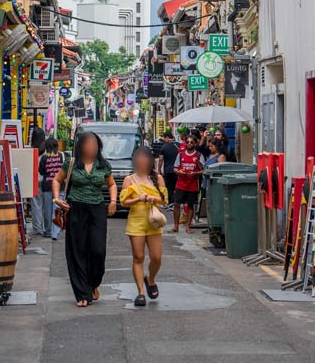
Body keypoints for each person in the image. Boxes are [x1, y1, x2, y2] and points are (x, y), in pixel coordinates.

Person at [52, 131, 118, 307]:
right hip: (76, 208)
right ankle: (82, 293)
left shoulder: (103, 165)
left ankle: (93, 283)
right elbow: (57, 180)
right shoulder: (71, 163)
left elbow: (111, 184)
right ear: (80, 146)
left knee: (98, 250)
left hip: (97, 209)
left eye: (95, 145)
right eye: (88, 145)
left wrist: (113, 201)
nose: (92, 148)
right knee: (77, 251)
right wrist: (57, 198)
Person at [119, 147, 168, 306]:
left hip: (153, 221)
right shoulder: (129, 180)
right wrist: (138, 199)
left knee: (156, 258)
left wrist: (152, 199)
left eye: (144, 158)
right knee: (138, 257)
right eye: (138, 158)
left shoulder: (157, 178)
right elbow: (124, 202)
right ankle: (140, 293)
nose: (142, 161)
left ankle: (151, 279)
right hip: (136, 221)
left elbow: (164, 200)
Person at [169, 135, 204, 234]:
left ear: (195, 144)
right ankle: (176, 226)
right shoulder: (180, 155)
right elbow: (175, 168)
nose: (189, 144)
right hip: (181, 183)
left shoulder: (199, 155)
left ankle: (188, 227)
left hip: (193, 184)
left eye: (191, 142)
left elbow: (203, 170)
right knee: (176, 204)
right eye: (187, 142)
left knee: (190, 205)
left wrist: (196, 172)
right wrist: (179, 172)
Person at [38, 137, 64, 240]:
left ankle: (48, 230)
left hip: (47, 185)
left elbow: (41, 171)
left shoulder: (44, 158)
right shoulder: (62, 156)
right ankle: (55, 232)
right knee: (57, 209)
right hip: (59, 186)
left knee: (47, 209)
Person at [28, 121, 49, 235]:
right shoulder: (46, 151)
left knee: (36, 205)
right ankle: (47, 228)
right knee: (46, 206)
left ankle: (37, 229)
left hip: (34, 180)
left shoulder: (31, 150)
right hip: (45, 181)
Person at [158, 131, 179, 209]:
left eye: (164, 138)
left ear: (166, 137)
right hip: (178, 170)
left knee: (169, 187)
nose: (164, 140)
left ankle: (170, 203)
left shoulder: (164, 147)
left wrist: (159, 169)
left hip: (168, 170)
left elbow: (161, 159)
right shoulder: (179, 145)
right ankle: (176, 203)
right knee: (177, 187)